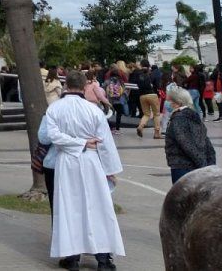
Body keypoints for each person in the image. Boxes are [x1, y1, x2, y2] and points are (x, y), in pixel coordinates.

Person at [39, 69, 124, 270]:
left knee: (69, 208)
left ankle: (72, 257)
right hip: (91, 161)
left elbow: (53, 136)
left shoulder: (54, 109)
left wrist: (77, 143)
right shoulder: (94, 110)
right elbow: (105, 143)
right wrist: (108, 168)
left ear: (66, 85)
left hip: (67, 162)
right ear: (85, 85)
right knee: (98, 207)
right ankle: (103, 259)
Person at [164, 86, 215, 183]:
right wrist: (210, 164)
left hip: (182, 166)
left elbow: (186, 144)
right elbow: (206, 141)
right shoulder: (192, 115)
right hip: (195, 166)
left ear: (177, 103)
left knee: (183, 197)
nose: (167, 103)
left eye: (169, 101)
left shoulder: (178, 119)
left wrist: (203, 165)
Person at [133, 61, 161, 139]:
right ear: (148, 66)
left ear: (141, 65)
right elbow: (157, 83)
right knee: (156, 114)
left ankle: (140, 126)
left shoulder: (137, 73)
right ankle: (157, 133)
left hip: (142, 96)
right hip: (152, 94)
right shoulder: (151, 73)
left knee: (146, 114)